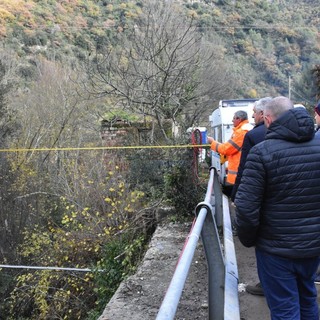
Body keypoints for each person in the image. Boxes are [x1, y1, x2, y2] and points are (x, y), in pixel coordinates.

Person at [235, 96, 320, 319]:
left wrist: (249, 239)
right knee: (307, 298)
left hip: (276, 249)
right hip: (313, 247)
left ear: (269, 120)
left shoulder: (263, 153)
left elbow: (245, 207)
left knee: (284, 308)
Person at [230, 97, 272, 296]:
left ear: (264, 115)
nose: (254, 115)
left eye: (255, 112)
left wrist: (236, 194)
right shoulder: (309, 138)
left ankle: (266, 284)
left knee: (266, 243)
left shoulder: (253, 135)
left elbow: (244, 168)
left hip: (264, 198)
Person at [207, 110, 253, 197]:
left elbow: (226, 149)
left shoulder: (241, 132)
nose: (232, 121)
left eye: (234, 118)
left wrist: (212, 142)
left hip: (239, 175)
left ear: (239, 119)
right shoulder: (247, 129)